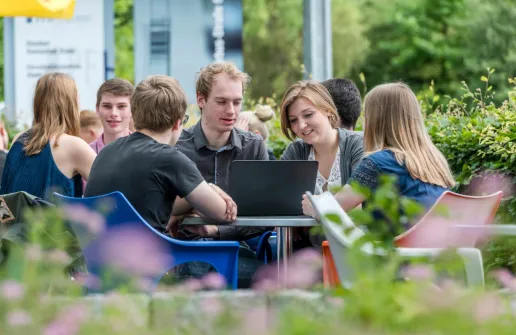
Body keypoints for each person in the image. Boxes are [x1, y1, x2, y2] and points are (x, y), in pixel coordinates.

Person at [85, 75, 236, 233]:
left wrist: (188, 203)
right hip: (149, 255)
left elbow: (145, 204)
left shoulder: (106, 152)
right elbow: (223, 213)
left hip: (97, 254)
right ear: (177, 123)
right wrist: (210, 188)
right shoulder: (169, 158)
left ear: (135, 114)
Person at [302, 83, 455, 229]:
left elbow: (335, 211)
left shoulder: (377, 163)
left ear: (375, 120)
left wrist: (314, 207)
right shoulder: (435, 162)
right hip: (441, 251)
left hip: (396, 253)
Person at [175, 62, 269, 288]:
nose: (231, 111)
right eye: (222, 102)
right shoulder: (177, 146)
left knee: (266, 284)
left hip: (237, 248)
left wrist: (216, 231)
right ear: (201, 100)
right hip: (182, 250)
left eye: (237, 102)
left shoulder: (253, 146)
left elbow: (265, 216)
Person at [279, 81, 364, 250]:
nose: (301, 126)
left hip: (356, 250)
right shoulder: (295, 151)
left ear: (327, 110)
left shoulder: (357, 144)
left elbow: (358, 207)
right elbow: (280, 201)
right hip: (309, 252)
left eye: (308, 115)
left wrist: (316, 207)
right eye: (293, 120)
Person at [1, 73, 96, 200]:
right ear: (71, 103)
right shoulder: (73, 146)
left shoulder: (18, 140)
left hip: (15, 220)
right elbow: (111, 190)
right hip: (53, 220)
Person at [89, 78, 134, 154]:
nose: (114, 113)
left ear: (133, 109)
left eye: (121, 106)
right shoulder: (87, 153)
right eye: (107, 106)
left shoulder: (146, 152)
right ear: (97, 109)